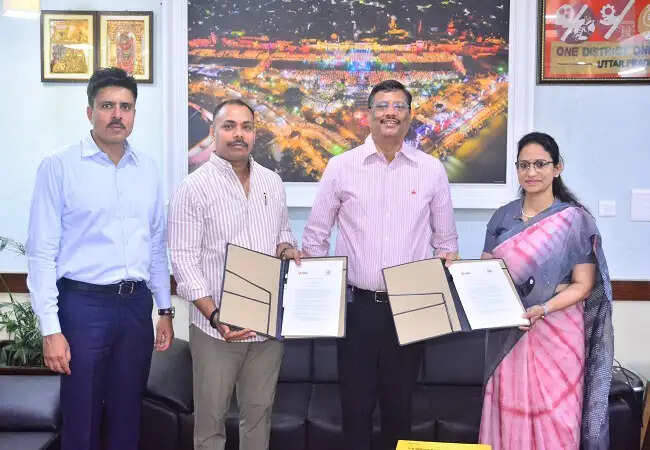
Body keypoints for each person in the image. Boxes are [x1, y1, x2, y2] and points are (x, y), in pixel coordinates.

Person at [301, 79, 459, 450]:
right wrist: (316, 299)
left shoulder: (431, 170)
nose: (391, 112)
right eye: (382, 106)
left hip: (411, 307)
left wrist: (442, 281)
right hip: (357, 307)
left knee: (399, 409)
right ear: (369, 115)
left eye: (399, 106)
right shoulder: (341, 167)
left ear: (409, 116)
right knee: (355, 409)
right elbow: (315, 239)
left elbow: (446, 243)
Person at [26, 67, 174, 450]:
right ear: (89, 111)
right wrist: (50, 329)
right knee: (81, 417)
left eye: (126, 106)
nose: (117, 115)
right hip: (83, 306)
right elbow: (40, 253)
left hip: (136, 306)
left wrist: (164, 309)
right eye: (107, 105)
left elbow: (155, 244)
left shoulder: (148, 169)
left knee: (128, 415)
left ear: (135, 113)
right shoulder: (59, 166)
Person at [168, 99, 300, 450]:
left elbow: (283, 235)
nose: (238, 134)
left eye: (246, 127)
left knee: (259, 419)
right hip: (215, 330)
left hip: (266, 331)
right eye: (229, 126)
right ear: (213, 132)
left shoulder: (272, 182)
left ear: (255, 133)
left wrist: (287, 249)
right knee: (210, 425)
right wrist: (215, 316)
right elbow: (183, 260)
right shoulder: (193, 187)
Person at [478, 132, 614, 450]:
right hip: (509, 332)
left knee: (558, 419)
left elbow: (583, 285)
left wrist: (544, 308)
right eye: (524, 165)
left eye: (540, 164)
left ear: (557, 167)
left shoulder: (574, 220)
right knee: (508, 414)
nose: (531, 172)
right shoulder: (502, 217)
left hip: (558, 332)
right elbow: (486, 273)